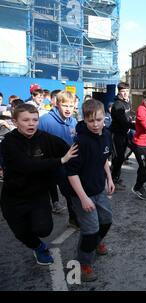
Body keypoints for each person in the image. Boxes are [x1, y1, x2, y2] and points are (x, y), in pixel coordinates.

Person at [0, 104, 77, 265]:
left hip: (38, 194)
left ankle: (35, 226)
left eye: (34, 120)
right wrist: (60, 160)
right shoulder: (9, 142)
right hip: (13, 196)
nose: (31, 123)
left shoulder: (45, 138)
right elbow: (26, 165)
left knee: (44, 229)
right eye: (26, 120)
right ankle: (39, 247)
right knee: (21, 232)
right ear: (15, 122)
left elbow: (70, 150)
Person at [65, 99, 114, 282]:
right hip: (81, 194)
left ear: (104, 118)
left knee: (107, 220)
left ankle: (96, 243)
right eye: (91, 120)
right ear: (84, 119)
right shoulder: (80, 142)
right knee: (90, 229)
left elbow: (103, 158)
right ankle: (83, 264)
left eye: (99, 120)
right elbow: (71, 173)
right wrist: (84, 198)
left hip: (99, 189)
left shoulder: (106, 134)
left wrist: (109, 178)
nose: (95, 124)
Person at [38, 91, 79, 227]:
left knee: (70, 192)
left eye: (71, 106)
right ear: (57, 104)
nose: (68, 109)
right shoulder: (45, 121)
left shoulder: (73, 121)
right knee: (42, 194)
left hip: (68, 166)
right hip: (48, 165)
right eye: (65, 105)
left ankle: (74, 219)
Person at [110, 82, 134, 189]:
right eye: (122, 91)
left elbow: (129, 116)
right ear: (118, 92)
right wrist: (139, 127)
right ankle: (113, 180)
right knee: (118, 158)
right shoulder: (117, 105)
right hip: (116, 134)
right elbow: (123, 122)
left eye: (126, 91)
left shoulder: (127, 102)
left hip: (125, 133)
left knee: (122, 157)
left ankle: (116, 178)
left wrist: (133, 121)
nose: (125, 94)